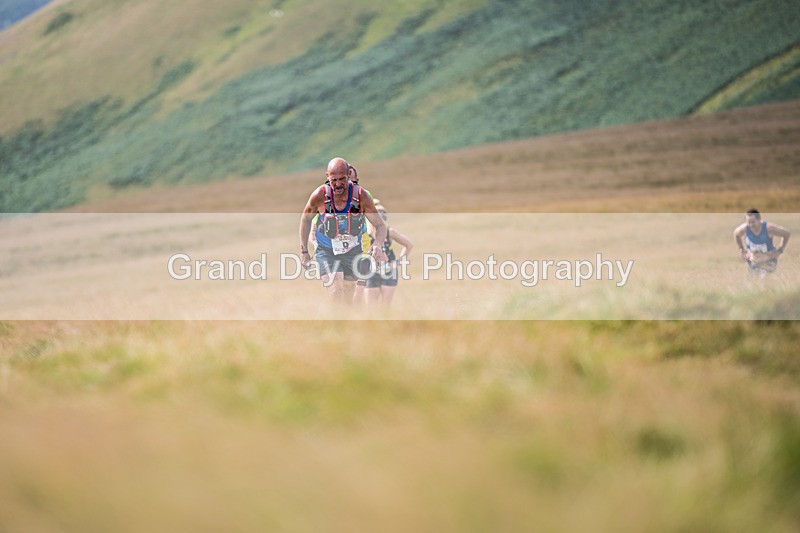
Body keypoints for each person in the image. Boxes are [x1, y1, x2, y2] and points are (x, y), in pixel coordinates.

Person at [299, 157, 387, 303]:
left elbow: (380, 225)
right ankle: (337, 324)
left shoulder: (361, 196)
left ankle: (346, 322)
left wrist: (378, 244)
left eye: (342, 179)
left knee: (348, 294)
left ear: (349, 175)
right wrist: (304, 251)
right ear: (327, 176)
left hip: (353, 250)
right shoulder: (319, 196)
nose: (338, 184)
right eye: (334, 180)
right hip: (326, 250)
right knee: (335, 288)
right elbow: (305, 219)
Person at [364, 204, 413, 307]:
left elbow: (409, 245)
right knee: (370, 307)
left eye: (383, 215)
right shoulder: (365, 234)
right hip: (370, 272)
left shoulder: (389, 232)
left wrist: (398, 262)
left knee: (385, 307)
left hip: (389, 270)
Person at [733, 208, 790, 276]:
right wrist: (742, 250)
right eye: (748, 222)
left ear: (759, 219)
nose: (751, 225)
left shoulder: (769, 228)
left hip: (769, 261)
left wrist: (780, 250)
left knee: (764, 278)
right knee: (753, 283)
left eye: (753, 222)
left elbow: (786, 233)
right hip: (753, 262)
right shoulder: (744, 228)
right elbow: (736, 234)